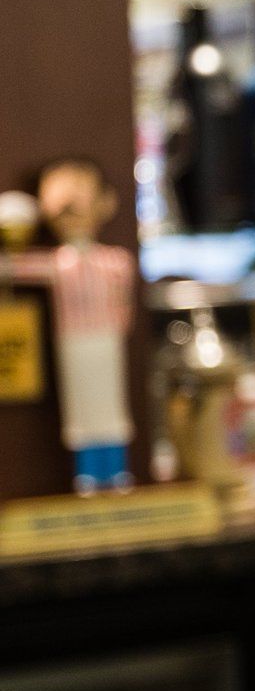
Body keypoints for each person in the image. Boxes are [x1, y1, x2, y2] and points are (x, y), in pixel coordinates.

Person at [9, 157, 137, 492]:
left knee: (110, 405)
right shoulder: (58, 263)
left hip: (106, 341)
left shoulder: (115, 262)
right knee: (82, 408)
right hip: (73, 342)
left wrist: (120, 325)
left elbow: (124, 304)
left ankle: (117, 470)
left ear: (105, 203)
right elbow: (17, 267)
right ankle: (90, 474)